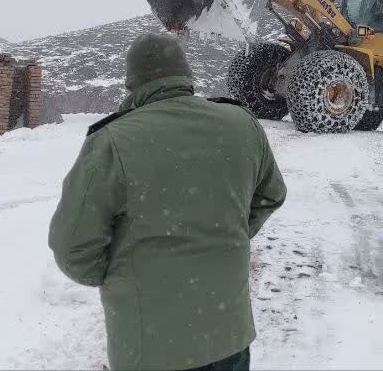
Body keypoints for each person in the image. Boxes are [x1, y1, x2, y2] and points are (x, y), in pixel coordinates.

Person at [49, 33, 287, 371]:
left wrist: (119, 273)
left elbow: (71, 245)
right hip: (229, 338)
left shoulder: (112, 142)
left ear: (131, 83)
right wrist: (228, 232)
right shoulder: (241, 124)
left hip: (150, 347)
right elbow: (271, 194)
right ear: (186, 75)